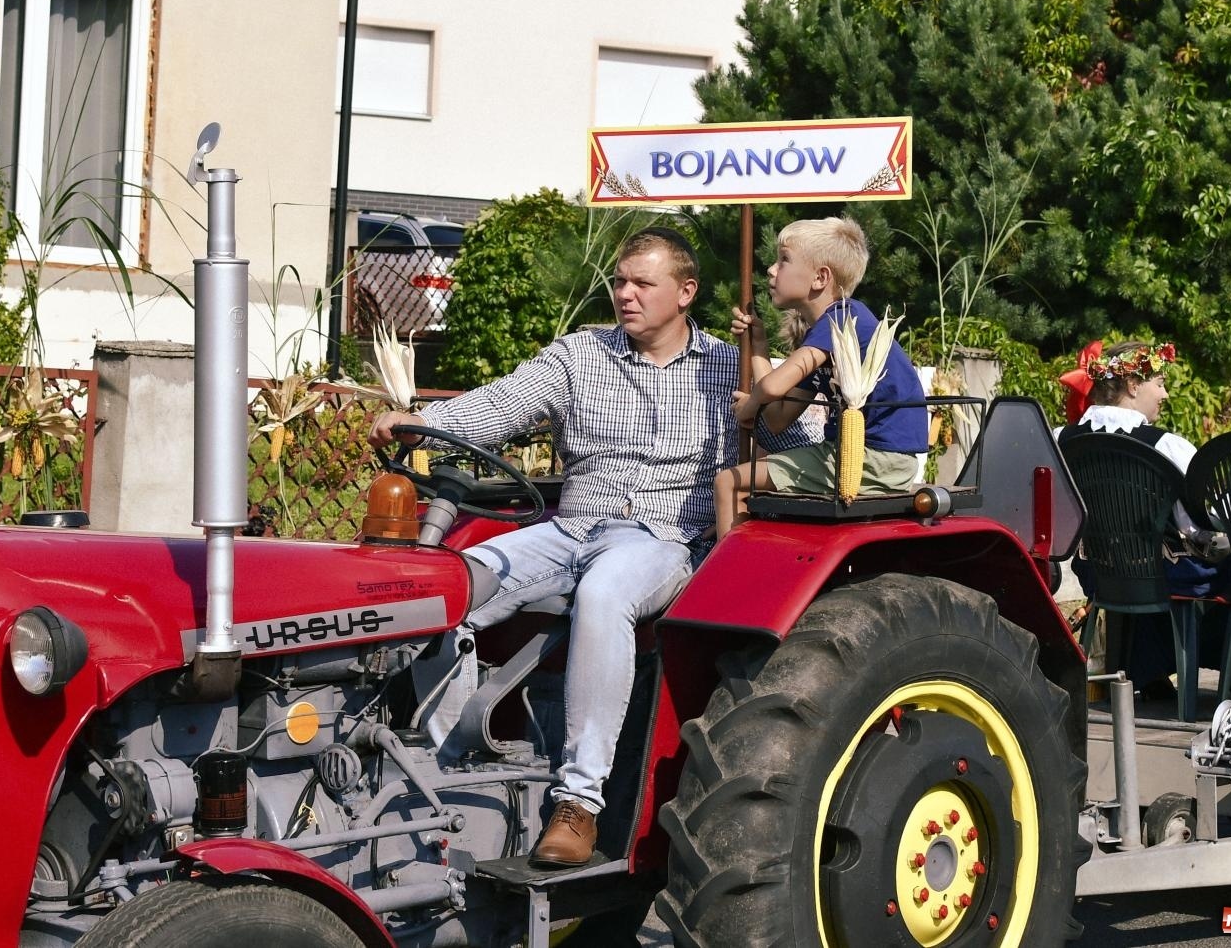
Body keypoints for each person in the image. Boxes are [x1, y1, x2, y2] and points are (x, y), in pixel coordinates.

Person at [368, 227, 806, 867]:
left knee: (605, 593)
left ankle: (579, 804)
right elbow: (501, 406)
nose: (625, 295)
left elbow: (792, 445)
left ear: (685, 293)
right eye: (620, 281)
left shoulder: (726, 367)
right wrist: (424, 422)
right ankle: (449, 770)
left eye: (642, 284)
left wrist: (834, 424)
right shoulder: (579, 356)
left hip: (663, 538)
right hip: (569, 527)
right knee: (444, 586)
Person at [1057, 340, 1231, 701]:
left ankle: (1149, 670)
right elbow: (1200, 524)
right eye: (1159, 383)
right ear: (1133, 386)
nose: (1165, 393)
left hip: (1097, 572)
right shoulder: (1167, 446)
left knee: (1147, 557)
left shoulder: (1060, 439)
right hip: (1163, 575)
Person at [714, 217, 927, 537]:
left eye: (783, 259)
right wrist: (758, 346)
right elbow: (777, 418)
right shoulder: (821, 340)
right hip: (862, 458)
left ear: (820, 277)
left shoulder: (844, 318)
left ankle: (730, 576)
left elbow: (772, 387)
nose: (771, 269)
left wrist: (748, 407)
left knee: (729, 483)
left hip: (876, 459)